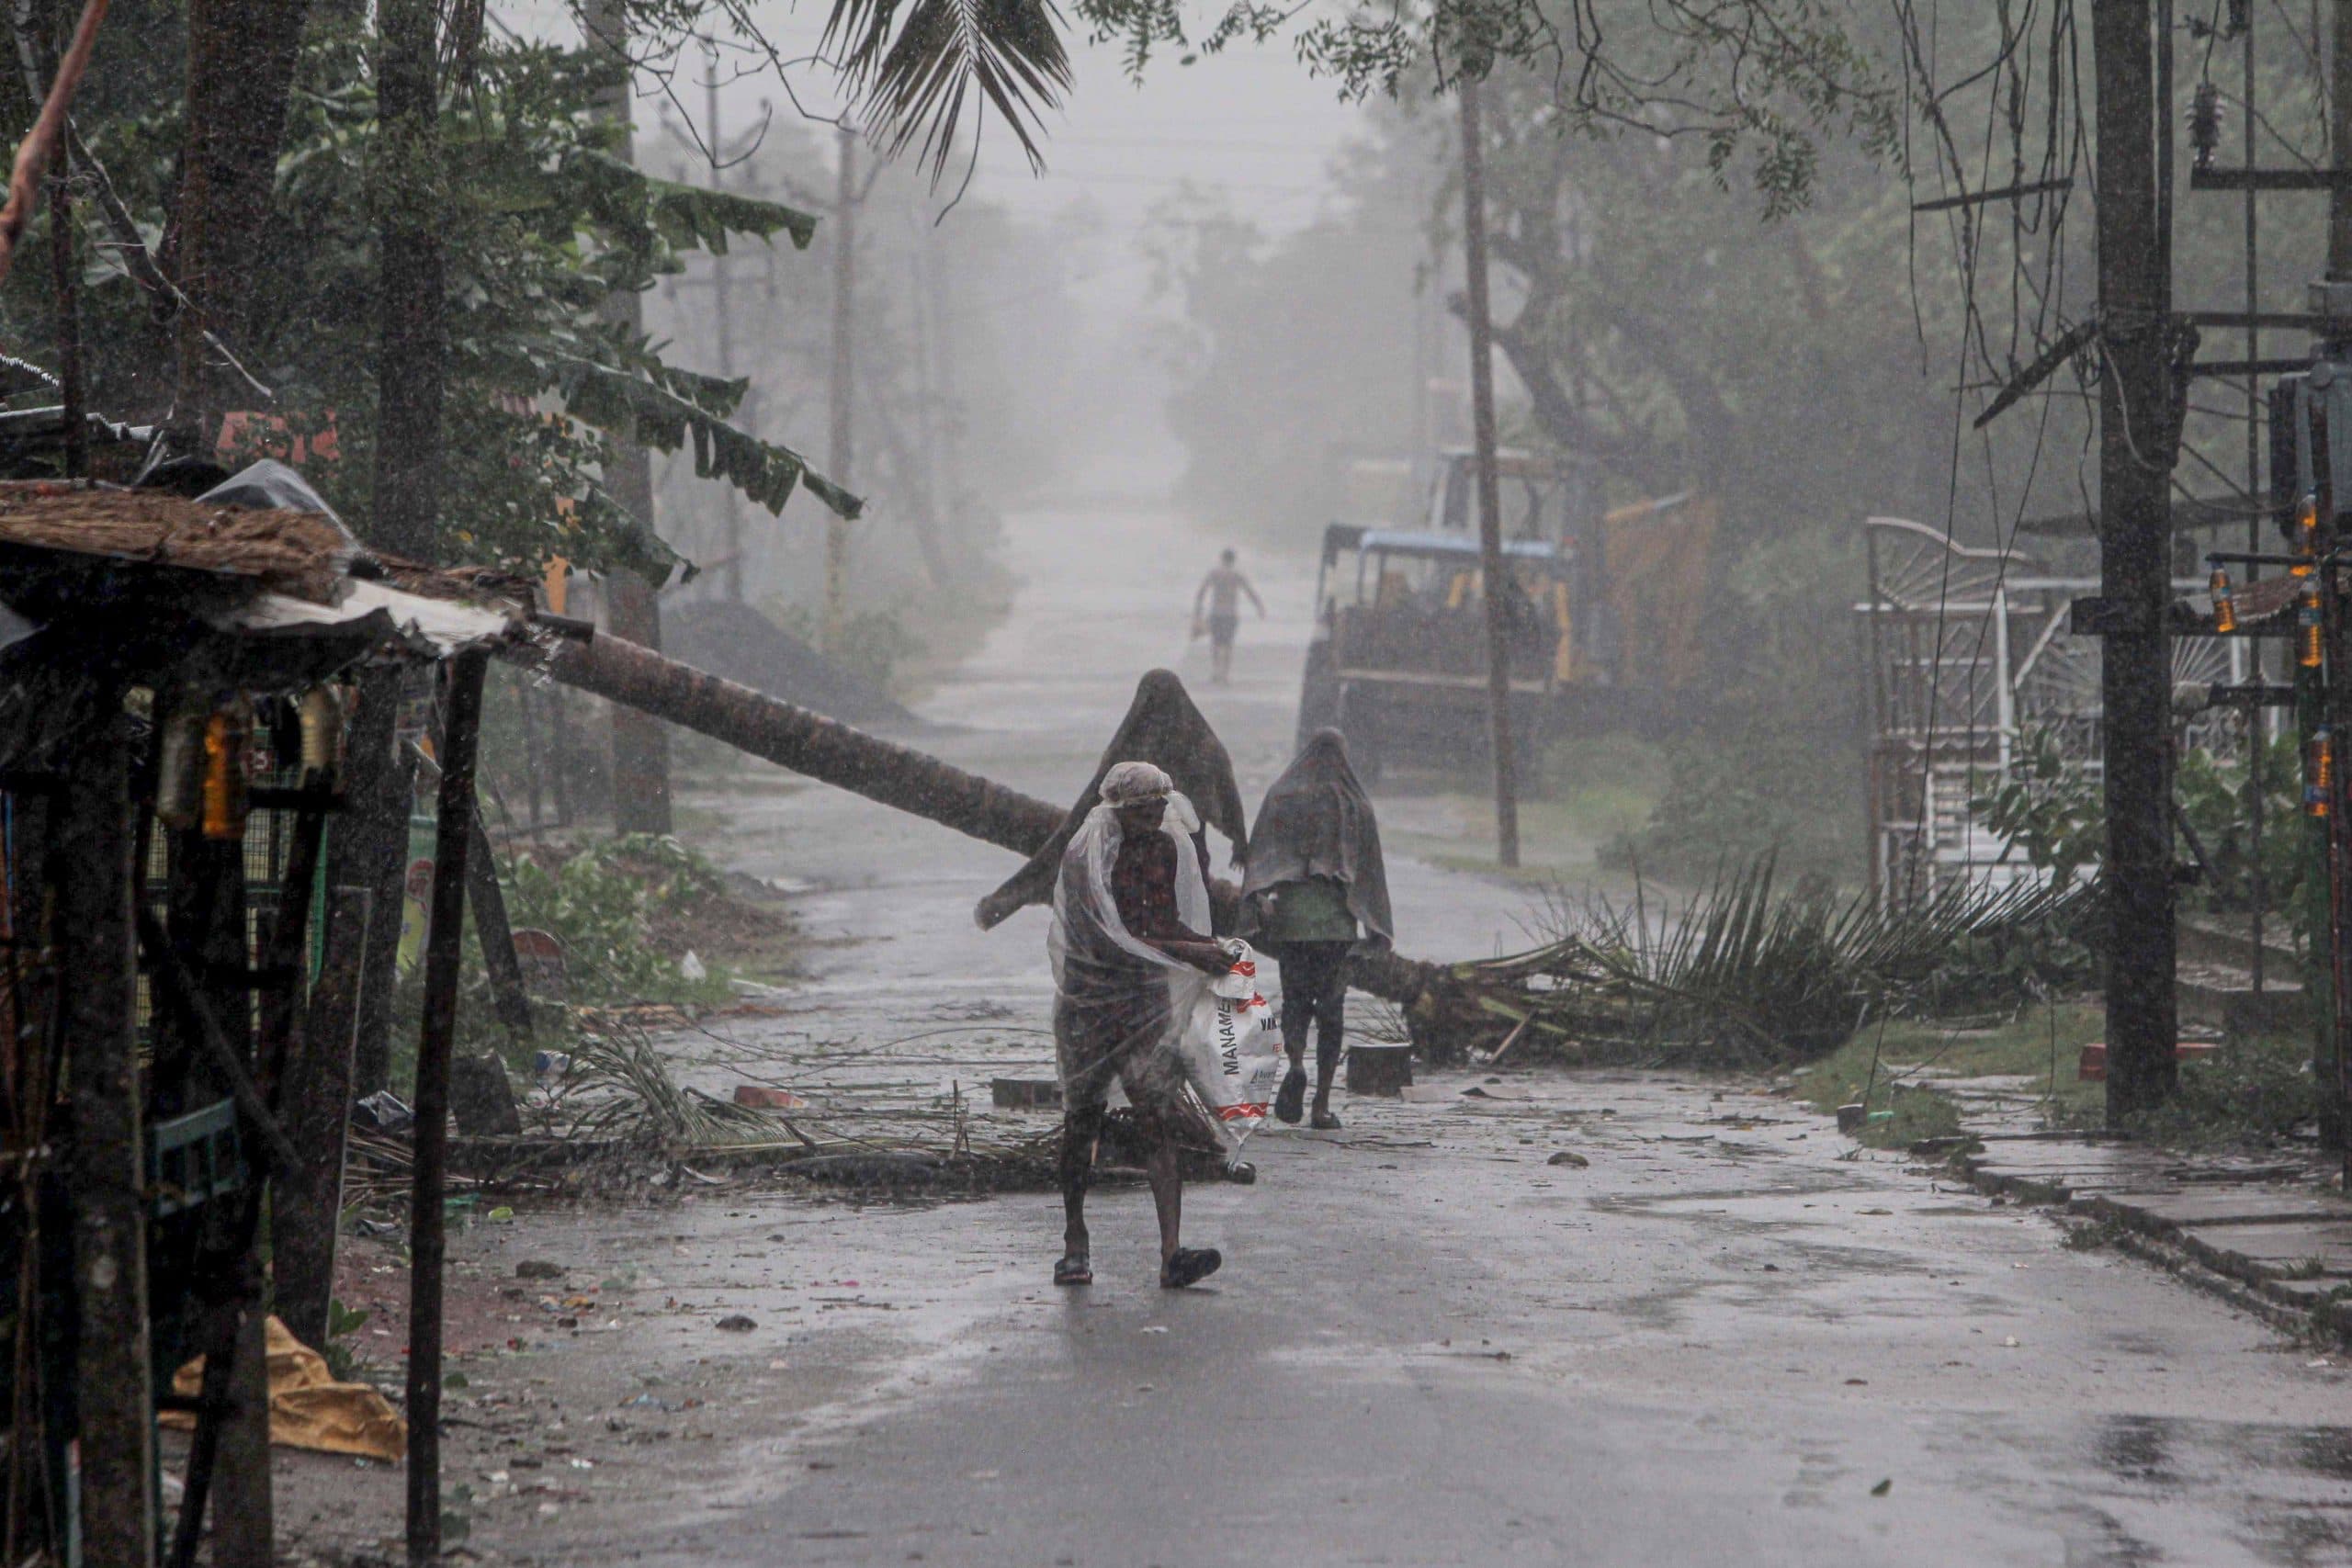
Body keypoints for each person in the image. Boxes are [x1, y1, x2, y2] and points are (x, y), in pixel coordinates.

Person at [1050, 761, 1237, 1290]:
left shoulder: (1163, 847)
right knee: (1082, 1119)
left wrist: (1201, 947)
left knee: (1157, 1117)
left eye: (1161, 806)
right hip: (1090, 1003)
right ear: (1120, 810)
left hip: (1143, 1002)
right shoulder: (1087, 855)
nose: (1156, 816)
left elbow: (1160, 922)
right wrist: (1192, 952)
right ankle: (1074, 1242)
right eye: (1144, 809)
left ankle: (1172, 1252)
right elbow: (1116, 935)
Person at [1239, 729, 1393, 1132]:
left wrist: (1259, 899)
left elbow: (1262, 856)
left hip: (1292, 923)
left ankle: (1293, 1064)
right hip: (1336, 926)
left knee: (1294, 1002)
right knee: (1331, 1012)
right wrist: (1375, 925)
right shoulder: (1354, 803)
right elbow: (1370, 871)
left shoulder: (1283, 796)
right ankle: (1321, 1104)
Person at [1192, 548, 1265, 685]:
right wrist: (1259, 607)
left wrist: (1198, 612)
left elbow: (1201, 592)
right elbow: (1249, 592)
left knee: (1215, 642)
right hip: (1231, 614)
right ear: (1233, 560)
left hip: (1216, 613)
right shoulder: (1237, 575)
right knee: (1228, 644)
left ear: (1221, 559)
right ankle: (1225, 674)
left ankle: (1215, 671)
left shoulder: (1214, 573)